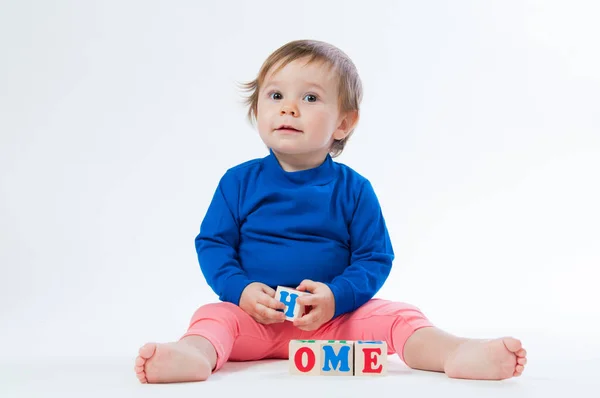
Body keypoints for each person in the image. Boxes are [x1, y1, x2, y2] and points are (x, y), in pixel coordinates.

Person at [134, 39, 527, 383]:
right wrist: (240, 291)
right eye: (275, 96)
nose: (289, 108)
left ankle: (453, 353)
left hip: (335, 324)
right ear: (257, 110)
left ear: (343, 123)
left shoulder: (354, 190)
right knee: (211, 317)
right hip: (254, 321)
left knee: (398, 315)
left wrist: (336, 297)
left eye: (309, 98)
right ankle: (195, 356)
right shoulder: (238, 182)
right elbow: (214, 244)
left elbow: (374, 257)